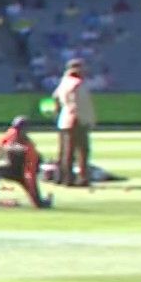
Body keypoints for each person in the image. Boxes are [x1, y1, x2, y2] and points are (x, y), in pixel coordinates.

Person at [0, 117, 53, 210]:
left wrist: (30, 184)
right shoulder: (11, 134)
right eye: (17, 128)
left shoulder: (29, 147)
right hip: (11, 169)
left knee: (38, 204)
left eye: (21, 129)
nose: (18, 131)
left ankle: (45, 201)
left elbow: (30, 171)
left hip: (24, 173)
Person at [52, 57, 95, 186]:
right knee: (82, 151)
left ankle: (65, 178)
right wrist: (88, 119)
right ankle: (82, 178)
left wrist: (58, 112)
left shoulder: (64, 82)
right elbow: (81, 104)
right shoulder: (77, 83)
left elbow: (55, 97)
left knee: (66, 152)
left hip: (64, 119)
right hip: (76, 120)